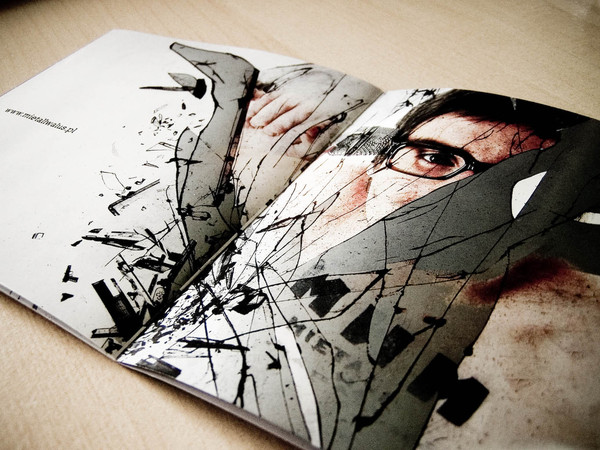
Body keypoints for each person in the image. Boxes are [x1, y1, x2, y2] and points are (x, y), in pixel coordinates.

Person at [122, 89, 598, 449]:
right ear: (382, 161)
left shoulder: (551, 332)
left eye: (502, 186)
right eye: (435, 158)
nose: (447, 198)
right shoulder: (316, 202)